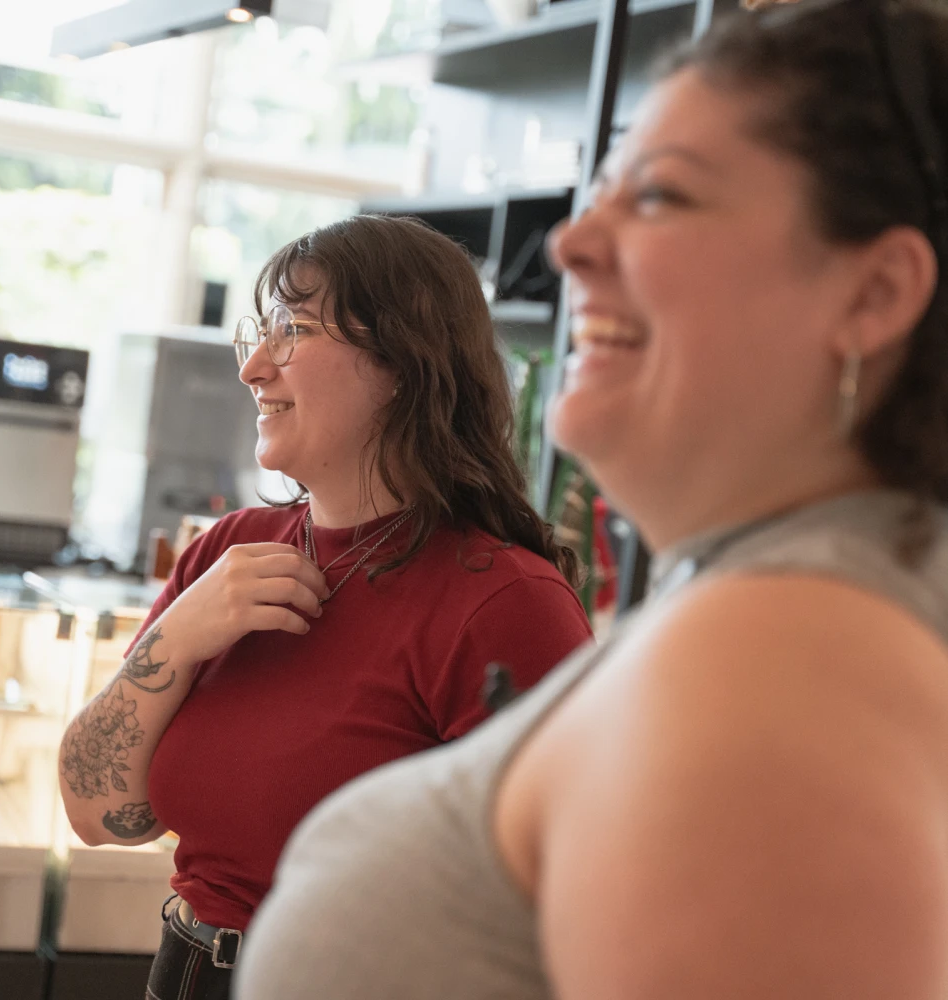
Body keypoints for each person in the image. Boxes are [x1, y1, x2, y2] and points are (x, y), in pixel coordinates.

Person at [235, 2, 948, 998]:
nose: (570, 242)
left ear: (873, 295)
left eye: (659, 195)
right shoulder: (797, 603)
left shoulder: (790, 655)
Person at [56, 214, 593, 999]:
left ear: (406, 363)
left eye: (294, 330)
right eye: (261, 333)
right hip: (182, 972)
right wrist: (180, 634)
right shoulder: (228, 551)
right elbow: (99, 813)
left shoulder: (506, 603)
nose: (254, 369)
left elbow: (549, 909)